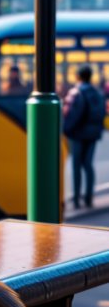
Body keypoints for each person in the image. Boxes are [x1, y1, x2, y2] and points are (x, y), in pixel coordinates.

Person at [63, 64, 106, 209]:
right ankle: (88, 197)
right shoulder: (98, 93)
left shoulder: (76, 92)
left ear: (78, 76)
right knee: (88, 164)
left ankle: (76, 198)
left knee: (76, 165)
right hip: (93, 133)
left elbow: (73, 115)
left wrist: (66, 130)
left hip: (78, 134)